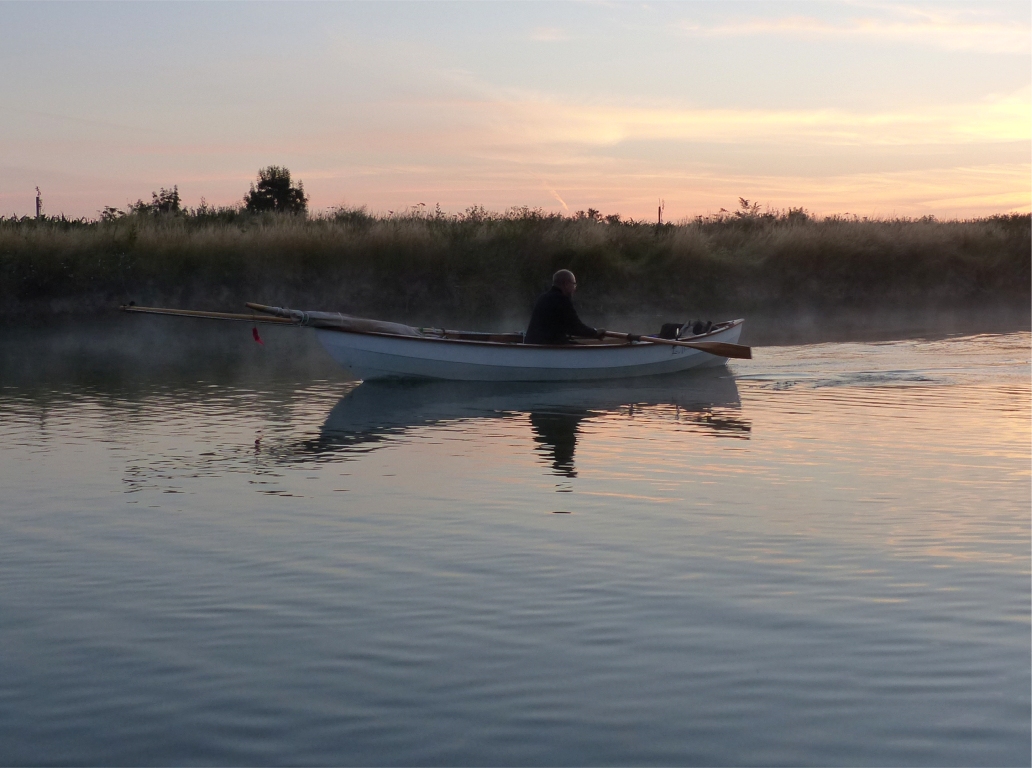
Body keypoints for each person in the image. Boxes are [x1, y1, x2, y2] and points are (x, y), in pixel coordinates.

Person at [524, 269, 606, 344]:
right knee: (585, 351)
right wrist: (595, 333)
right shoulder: (561, 299)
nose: (574, 288)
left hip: (532, 344)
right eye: (574, 284)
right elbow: (575, 327)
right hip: (548, 346)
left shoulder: (543, 297)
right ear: (566, 284)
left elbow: (566, 327)